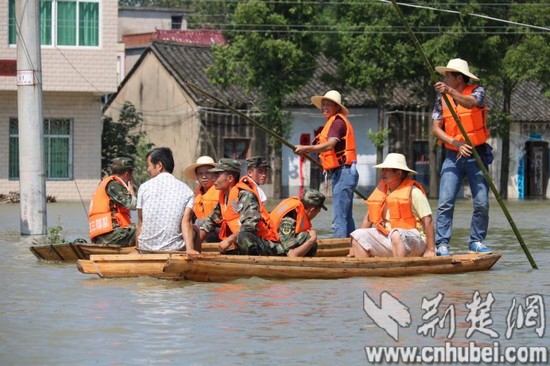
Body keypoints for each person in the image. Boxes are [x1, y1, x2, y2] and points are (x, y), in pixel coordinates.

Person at [432, 58, 493, 256]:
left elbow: (470, 104)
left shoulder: (477, 91)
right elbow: (436, 128)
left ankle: (476, 241)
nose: (445, 78)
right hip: (453, 154)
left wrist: (450, 92)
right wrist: (456, 143)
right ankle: (442, 243)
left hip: (477, 153)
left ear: (459, 78)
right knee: (446, 201)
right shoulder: (441, 99)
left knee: (482, 202)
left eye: (448, 75)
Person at [294, 90, 359, 238]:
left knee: (339, 216)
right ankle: (351, 246)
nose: (324, 107)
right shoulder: (334, 123)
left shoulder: (337, 122)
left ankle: (340, 247)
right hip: (343, 172)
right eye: (323, 105)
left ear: (336, 107)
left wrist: (306, 148)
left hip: (344, 172)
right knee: (345, 215)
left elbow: (330, 145)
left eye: (328, 104)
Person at [348, 153, 435, 258]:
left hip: (414, 240)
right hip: (389, 238)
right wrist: (354, 246)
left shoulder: (414, 192)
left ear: (398, 173)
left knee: (396, 234)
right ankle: (367, 271)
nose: (382, 173)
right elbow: (368, 219)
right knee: (358, 235)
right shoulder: (381, 191)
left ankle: (399, 270)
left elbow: (428, 220)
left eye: (387, 170)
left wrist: (430, 250)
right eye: (382, 169)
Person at [199, 158, 283, 256]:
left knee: (244, 236)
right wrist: (194, 246)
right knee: (199, 225)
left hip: (267, 244)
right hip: (245, 244)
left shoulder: (245, 195)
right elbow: (209, 223)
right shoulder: (224, 197)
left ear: (230, 178)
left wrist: (229, 240)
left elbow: (250, 227)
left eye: (217, 175)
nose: (214, 179)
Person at [136, 147, 200, 254]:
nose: (148, 169)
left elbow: (141, 222)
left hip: (145, 248)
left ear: (159, 166)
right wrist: (190, 249)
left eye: (149, 165)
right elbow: (186, 222)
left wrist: (138, 249)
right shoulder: (186, 190)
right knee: (196, 230)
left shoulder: (144, 187)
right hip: (173, 249)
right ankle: (195, 267)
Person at [89, 157, 137, 246]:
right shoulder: (114, 185)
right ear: (127, 174)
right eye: (131, 175)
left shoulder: (104, 183)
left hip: (103, 236)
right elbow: (133, 204)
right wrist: (132, 193)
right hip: (110, 236)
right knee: (142, 229)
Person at [270, 189, 327, 257]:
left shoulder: (297, 213)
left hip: (275, 244)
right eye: (318, 212)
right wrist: (312, 239)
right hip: (271, 249)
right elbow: (292, 255)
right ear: (312, 210)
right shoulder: (289, 220)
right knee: (307, 238)